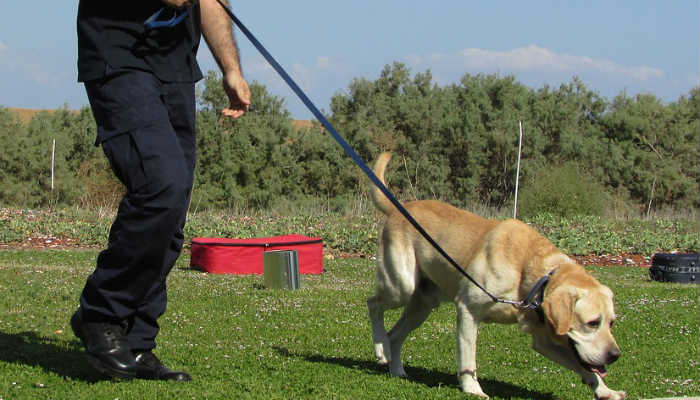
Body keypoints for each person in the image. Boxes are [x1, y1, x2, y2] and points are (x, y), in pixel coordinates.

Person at [71, 0, 251, 381]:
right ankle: (101, 314)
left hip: (175, 67)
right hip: (118, 57)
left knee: (173, 209)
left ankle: (136, 341)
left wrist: (231, 69)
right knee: (160, 184)